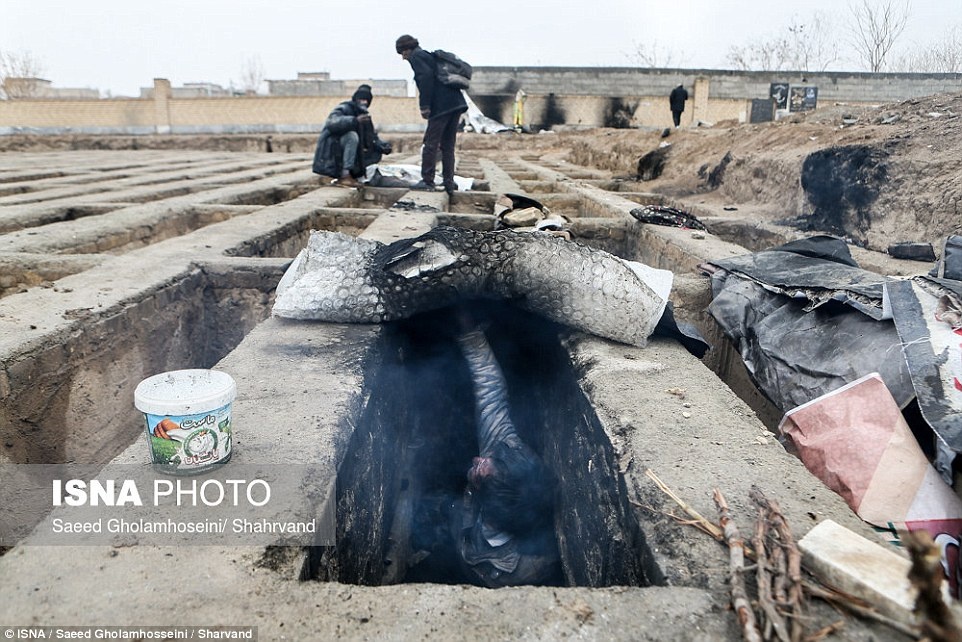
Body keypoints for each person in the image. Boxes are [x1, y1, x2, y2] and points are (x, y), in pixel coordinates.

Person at [449, 308, 560, 588]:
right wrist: (470, 333)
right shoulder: (507, 452)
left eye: (479, 470)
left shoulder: (526, 572)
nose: (476, 458)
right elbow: (491, 395)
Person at [395, 34, 468, 195]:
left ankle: (427, 180)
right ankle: (449, 182)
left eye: (402, 54)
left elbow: (425, 79)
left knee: (430, 144)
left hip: (441, 106)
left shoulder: (417, 57)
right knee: (448, 145)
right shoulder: (428, 56)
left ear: (407, 50)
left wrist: (425, 106)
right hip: (456, 103)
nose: (403, 58)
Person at [312, 84, 392, 188]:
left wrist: (382, 146)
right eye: (362, 100)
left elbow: (371, 138)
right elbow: (332, 122)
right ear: (356, 99)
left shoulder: (364, 116)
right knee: (351, 136)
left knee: (372, 149)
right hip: (335, 150)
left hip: (350, 151)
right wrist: (353, 121)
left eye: (366, 100)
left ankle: (356, 174)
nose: (364, 103)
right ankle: (345, 175)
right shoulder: (344, 108)